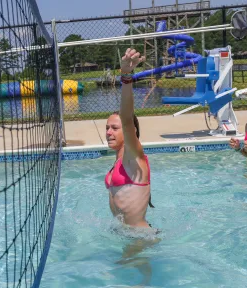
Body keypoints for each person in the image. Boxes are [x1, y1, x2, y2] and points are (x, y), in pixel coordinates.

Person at [106, 49, 157, 285]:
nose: (109, 132)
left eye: (114, 128)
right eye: (108, 127)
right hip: (126, 234)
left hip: (139, 237)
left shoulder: (134, 157)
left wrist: (126, 77)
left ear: (130, 132)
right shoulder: (119, 159)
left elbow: (127, 118)